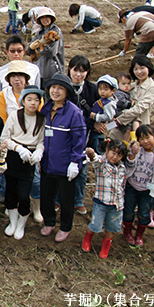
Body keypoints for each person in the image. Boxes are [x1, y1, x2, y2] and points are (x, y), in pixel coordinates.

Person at [39, 73, 86, 242]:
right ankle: (49, 222)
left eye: (60, 88)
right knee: (46, 196)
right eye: (53, 87)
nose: (56, 91)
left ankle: (65, 226)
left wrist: (75, 161)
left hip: (65, 165)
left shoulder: (74, 113)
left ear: (67, 92)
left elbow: (79, 140)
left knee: (66, 199)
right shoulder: (45, 109)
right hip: (47, 163)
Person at [1, 86, 46, 240]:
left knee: (24, 194)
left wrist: (38, 151)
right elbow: (5, 138)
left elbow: (41, 141)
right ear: (23, 101)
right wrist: (19, 148)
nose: (33, 103)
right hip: (14, 155)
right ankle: (12, 223)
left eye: (36, 100)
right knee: (11, 190)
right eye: (29, 99)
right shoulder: (15, 115)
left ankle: (21, 224)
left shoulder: (42, 119)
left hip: (30, 159)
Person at [81, 139, 128, 259]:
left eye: (119, 155)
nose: (115, 157)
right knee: (95, 225)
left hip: (116, 204)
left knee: (111, 227)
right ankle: (87, 239)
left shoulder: (122, 168)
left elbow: (122, 185)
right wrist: (91, 154)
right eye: (113, 153)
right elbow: (95, 161)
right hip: (101, 202)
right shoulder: (102, 163)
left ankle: (106, 246)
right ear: (107, 150)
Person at [122, 124, 154, 247]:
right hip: (132, 185)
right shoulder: (137, 151)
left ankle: (139, 234)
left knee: (144, 213)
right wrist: (132, 154)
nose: (145, 141)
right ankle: (127, 232)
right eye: (141, 139)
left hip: (148, 189)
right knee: (128, 211)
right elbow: (128, 167)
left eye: (147, 138)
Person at [67, 55, 98, 215]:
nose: (78, 74)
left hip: (85, 134)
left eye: (82, 71)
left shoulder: (92, 89)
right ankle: (60, 198)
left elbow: (100, 108)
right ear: (70, 69)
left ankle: (78, 200)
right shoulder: (63, 87)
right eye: (75, 70)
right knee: (62, 166)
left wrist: (97, 122)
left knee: (82, 168)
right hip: (65, 133)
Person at [111, 55, 154, 142]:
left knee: (134, 150)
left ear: (149, 68)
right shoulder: (130, 86)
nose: (139, 72)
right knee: (114, 148)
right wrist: (111, 123)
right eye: (136, 69)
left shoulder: (153, 87)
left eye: (142, 68)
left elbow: (139, 108)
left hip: (139, 129)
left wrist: (119, 120)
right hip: (120, 127)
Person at [119, 9, 154, 80]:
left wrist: (124, 51)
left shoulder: (129, 21)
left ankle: (136, 76)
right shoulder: (141, 13)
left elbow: (128, 40)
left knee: (139, 55)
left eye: (122, 21)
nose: (123, 23)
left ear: (124, 17)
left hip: (151, 32)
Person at [0, 35, 41, 106]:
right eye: (12, 51)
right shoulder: (0, 72)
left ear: (24, 51)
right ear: (7, 52)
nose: (16, 54)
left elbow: (38, 95)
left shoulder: (34, 69)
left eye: (19, 51)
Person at [27, 8, 64, 84]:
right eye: (42, 17)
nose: (45, 19)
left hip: (54, 70)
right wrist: (31, 48)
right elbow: (29, 49)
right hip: (40, 70)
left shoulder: (56, 31)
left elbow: (52, 52)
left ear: (51, 18)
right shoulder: (39, 33)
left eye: (47, 17)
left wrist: (38, 48)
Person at [89, 75, 118, 153]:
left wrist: (95, 116)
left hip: (101, 127)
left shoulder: (109, 103)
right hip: (99, 126)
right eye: (100, 89)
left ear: (113, 90)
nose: (102, 91)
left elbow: (108, 117)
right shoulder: (103, 100)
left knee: (97, 144)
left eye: (105, 89)